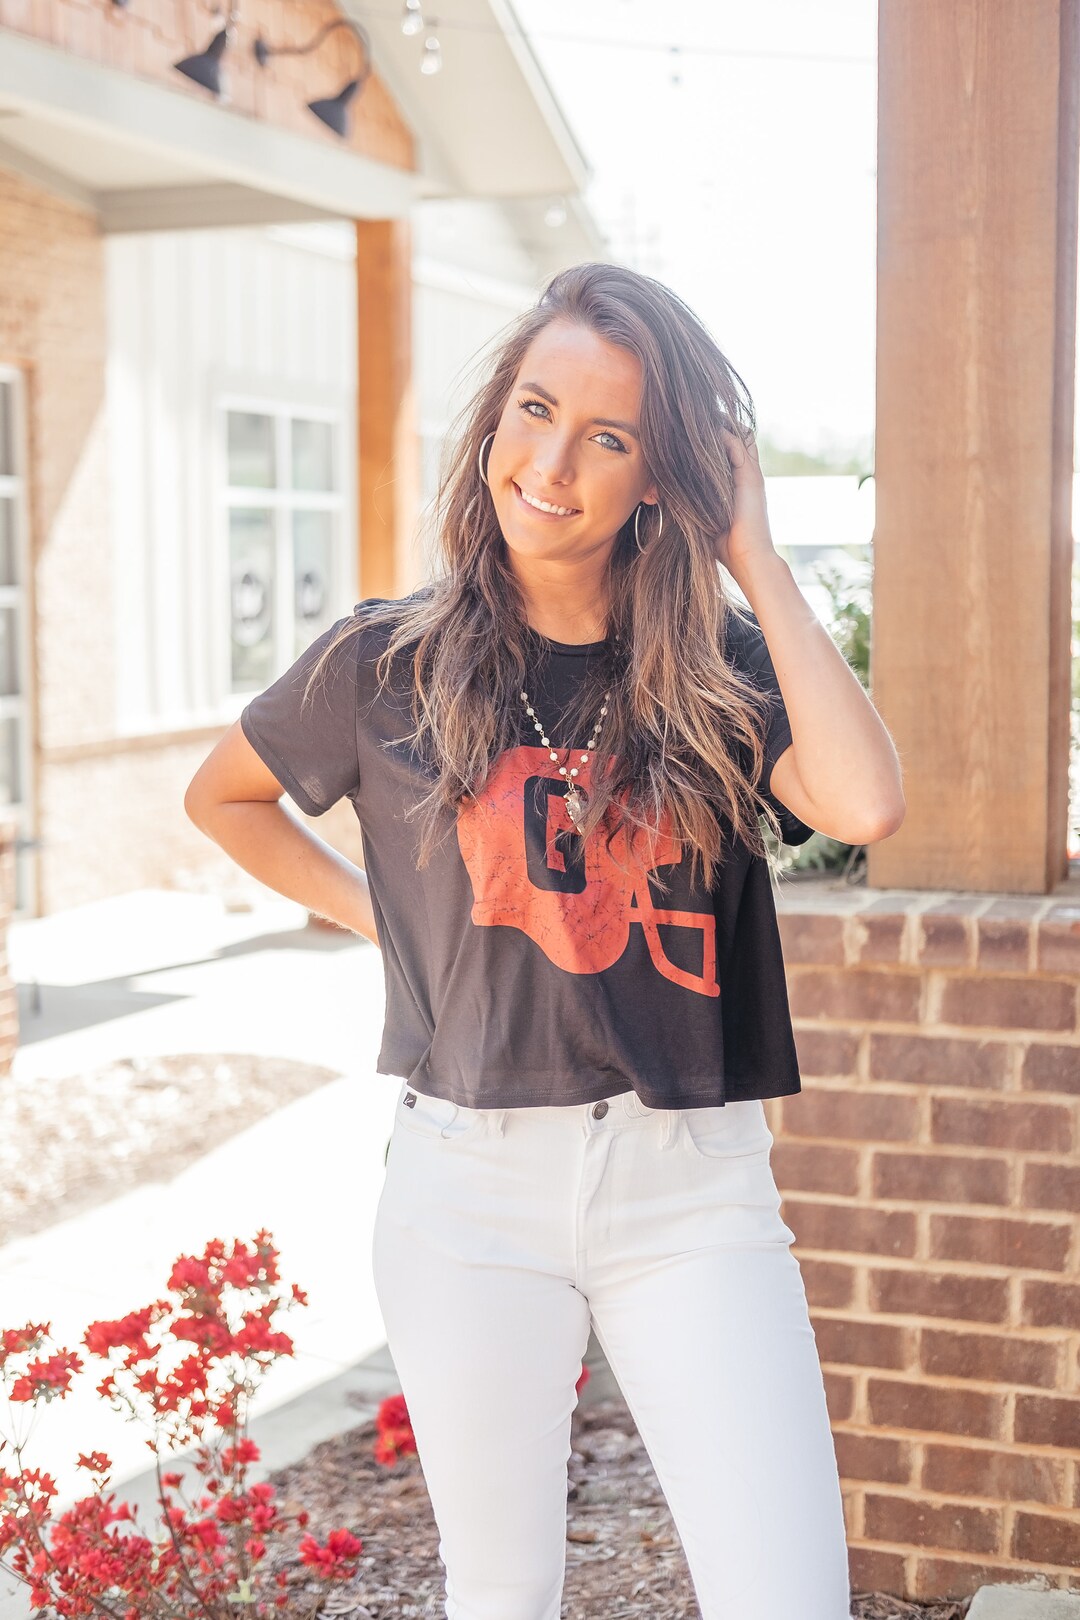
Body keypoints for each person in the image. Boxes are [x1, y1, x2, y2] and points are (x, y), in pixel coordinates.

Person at [185, 261, 905, 1620]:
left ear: (660, 480)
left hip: (690, 1188)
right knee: (501, 1591)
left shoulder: (714, 668)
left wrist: (751, 550)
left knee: (788, 1593)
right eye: (533, 408)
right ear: (495, 420)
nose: (553, 463)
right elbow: (222, 795)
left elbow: (866, 800)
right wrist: (382, 922)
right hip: (466, 1190)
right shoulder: (383, 660)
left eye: (611, 437)